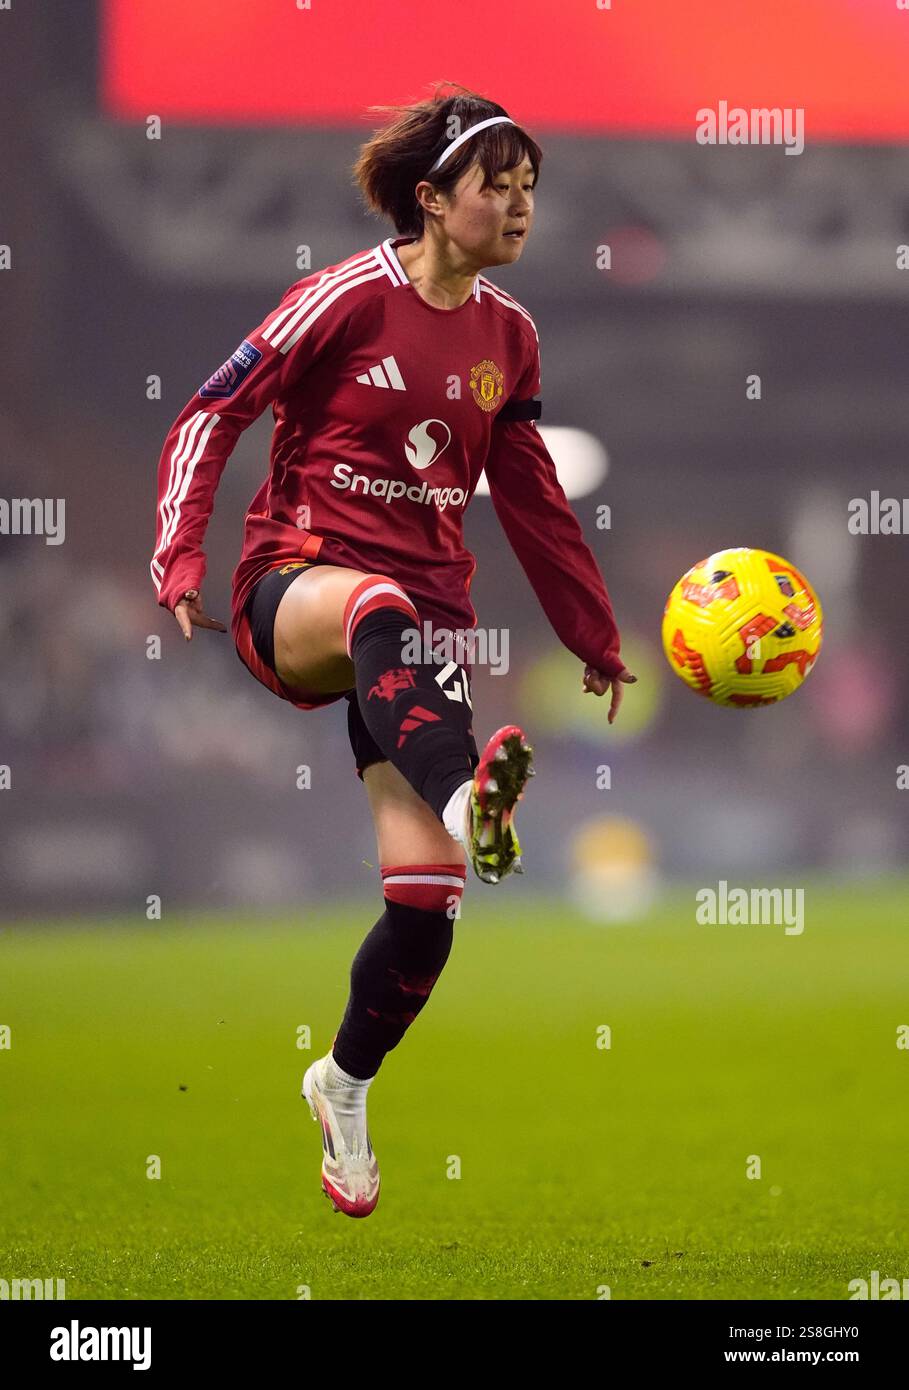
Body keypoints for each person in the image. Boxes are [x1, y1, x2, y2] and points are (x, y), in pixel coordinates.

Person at [150, 83, 635, 1219]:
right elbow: (210, 414)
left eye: (529, 189)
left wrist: (594, 636)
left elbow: (531, 495)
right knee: (376, 601)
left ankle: (345, 1083)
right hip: (297, 594)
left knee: (424, 907)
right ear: (431, 197)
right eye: (496, 186)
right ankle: (475, 799)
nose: (519, 207)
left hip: (417, 642)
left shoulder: (510, 336)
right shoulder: (338, 299)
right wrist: (178, 555)